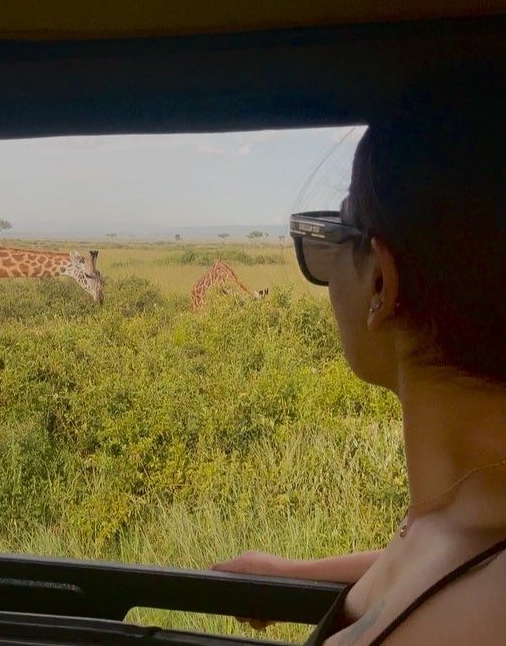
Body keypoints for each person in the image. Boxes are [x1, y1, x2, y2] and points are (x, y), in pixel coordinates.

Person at [213, 61, 506, 645]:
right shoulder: (470, 505)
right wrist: (288, 575)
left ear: (380, 283)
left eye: (334, 238)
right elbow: (431, 552)